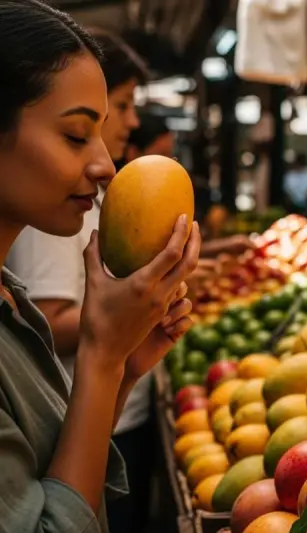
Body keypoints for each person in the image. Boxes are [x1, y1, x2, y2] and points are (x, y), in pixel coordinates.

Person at [0, 1, 200, 532]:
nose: (106, 165)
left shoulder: (10, 298)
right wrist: (103, 353)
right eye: (75, 135)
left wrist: (123, 368)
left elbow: (51, 471)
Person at [125, 110, 255, 259]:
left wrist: (225, 245)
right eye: (162, 155)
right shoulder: (129, 205)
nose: (170, 165)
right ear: (133, 153)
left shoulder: (161, 195)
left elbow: (175, 250)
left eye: (171, 156)